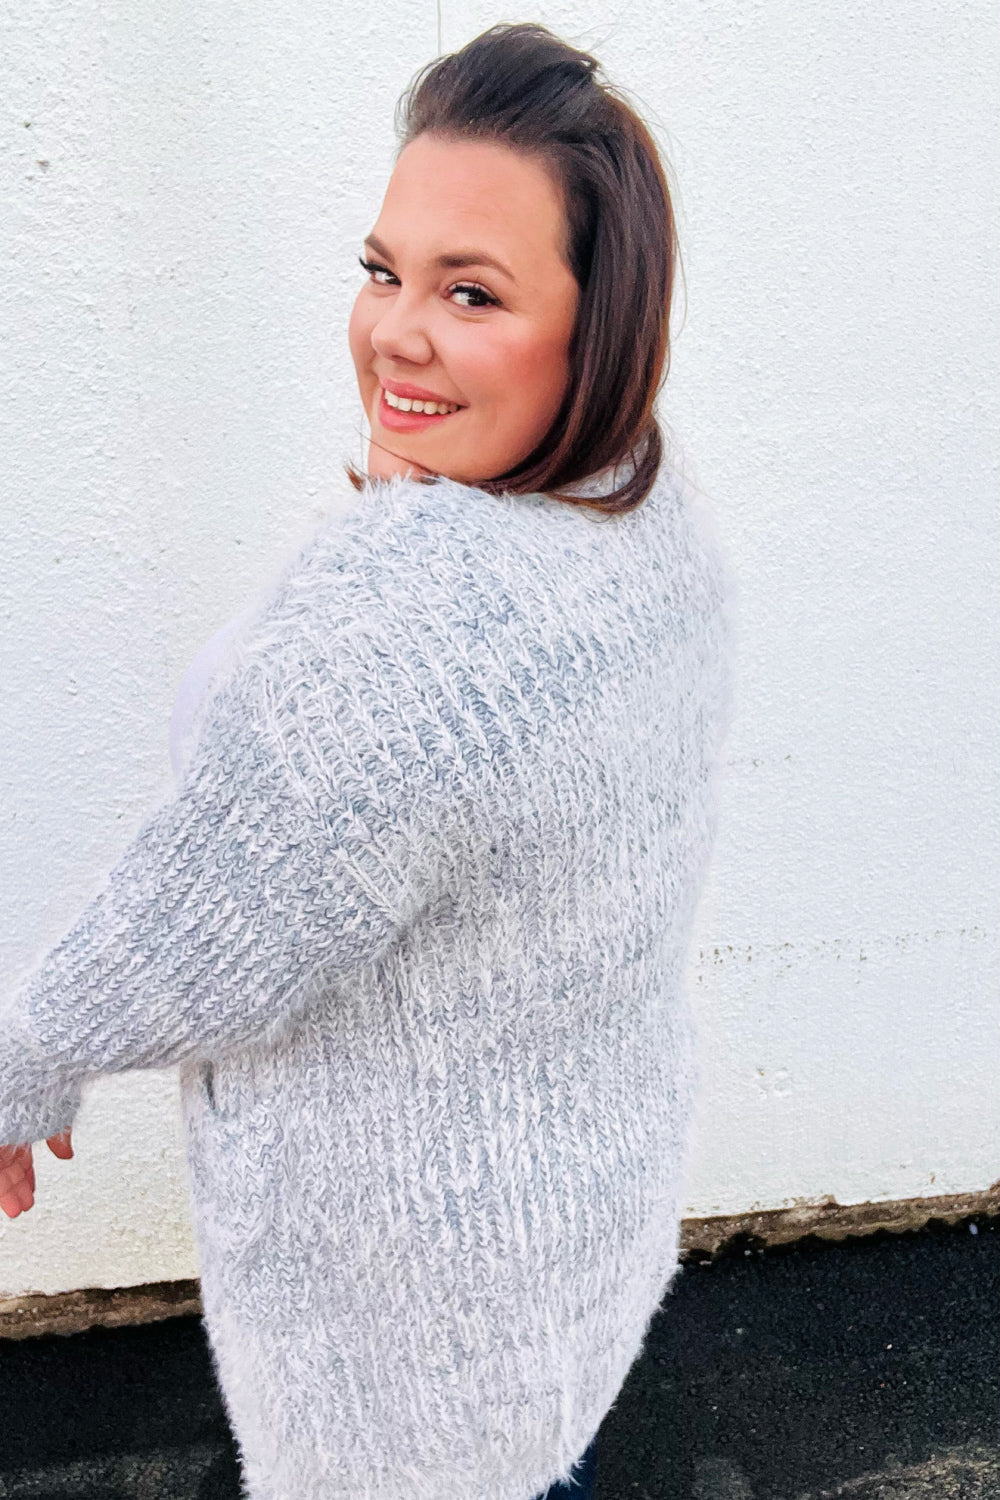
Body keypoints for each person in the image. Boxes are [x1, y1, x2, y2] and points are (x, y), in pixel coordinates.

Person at [0, 22, 735, 1500]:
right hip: (562, 1250)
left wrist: (24, 1067)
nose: (395, 333)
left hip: (409, 1350)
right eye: (383, 270)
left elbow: (201, 927)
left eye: (472, 292)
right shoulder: (639, 507)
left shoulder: (412, 627)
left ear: (597, 326)